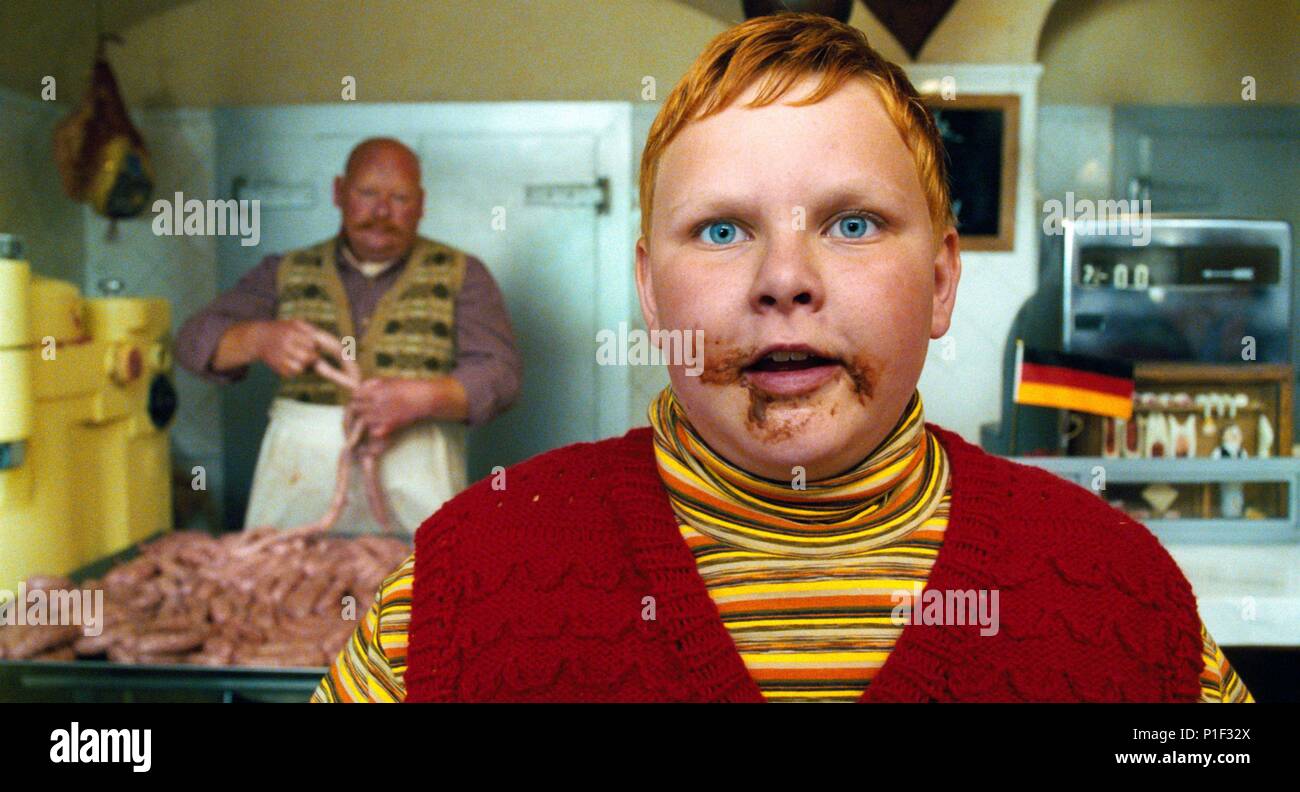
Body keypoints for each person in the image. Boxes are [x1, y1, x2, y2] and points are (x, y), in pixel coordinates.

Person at [312, 14, 1251, 702]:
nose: (785, 280)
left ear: (939, 281)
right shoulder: (460, 586)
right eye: (722, 230)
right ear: (650, 290)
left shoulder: (1123, 595)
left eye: (853, 224)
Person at [177, 138, 521, 535]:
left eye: (400, 197)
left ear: (421, 204)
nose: (381, 212)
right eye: (367, 193)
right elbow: (192, 342)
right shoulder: (283, 271)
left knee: (421, 574)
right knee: (283, 572)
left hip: (418, 475)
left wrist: (424, 397)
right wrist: (256, 339)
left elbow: (502, 375)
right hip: (299, 483)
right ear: (339, 192)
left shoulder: (464, 274)